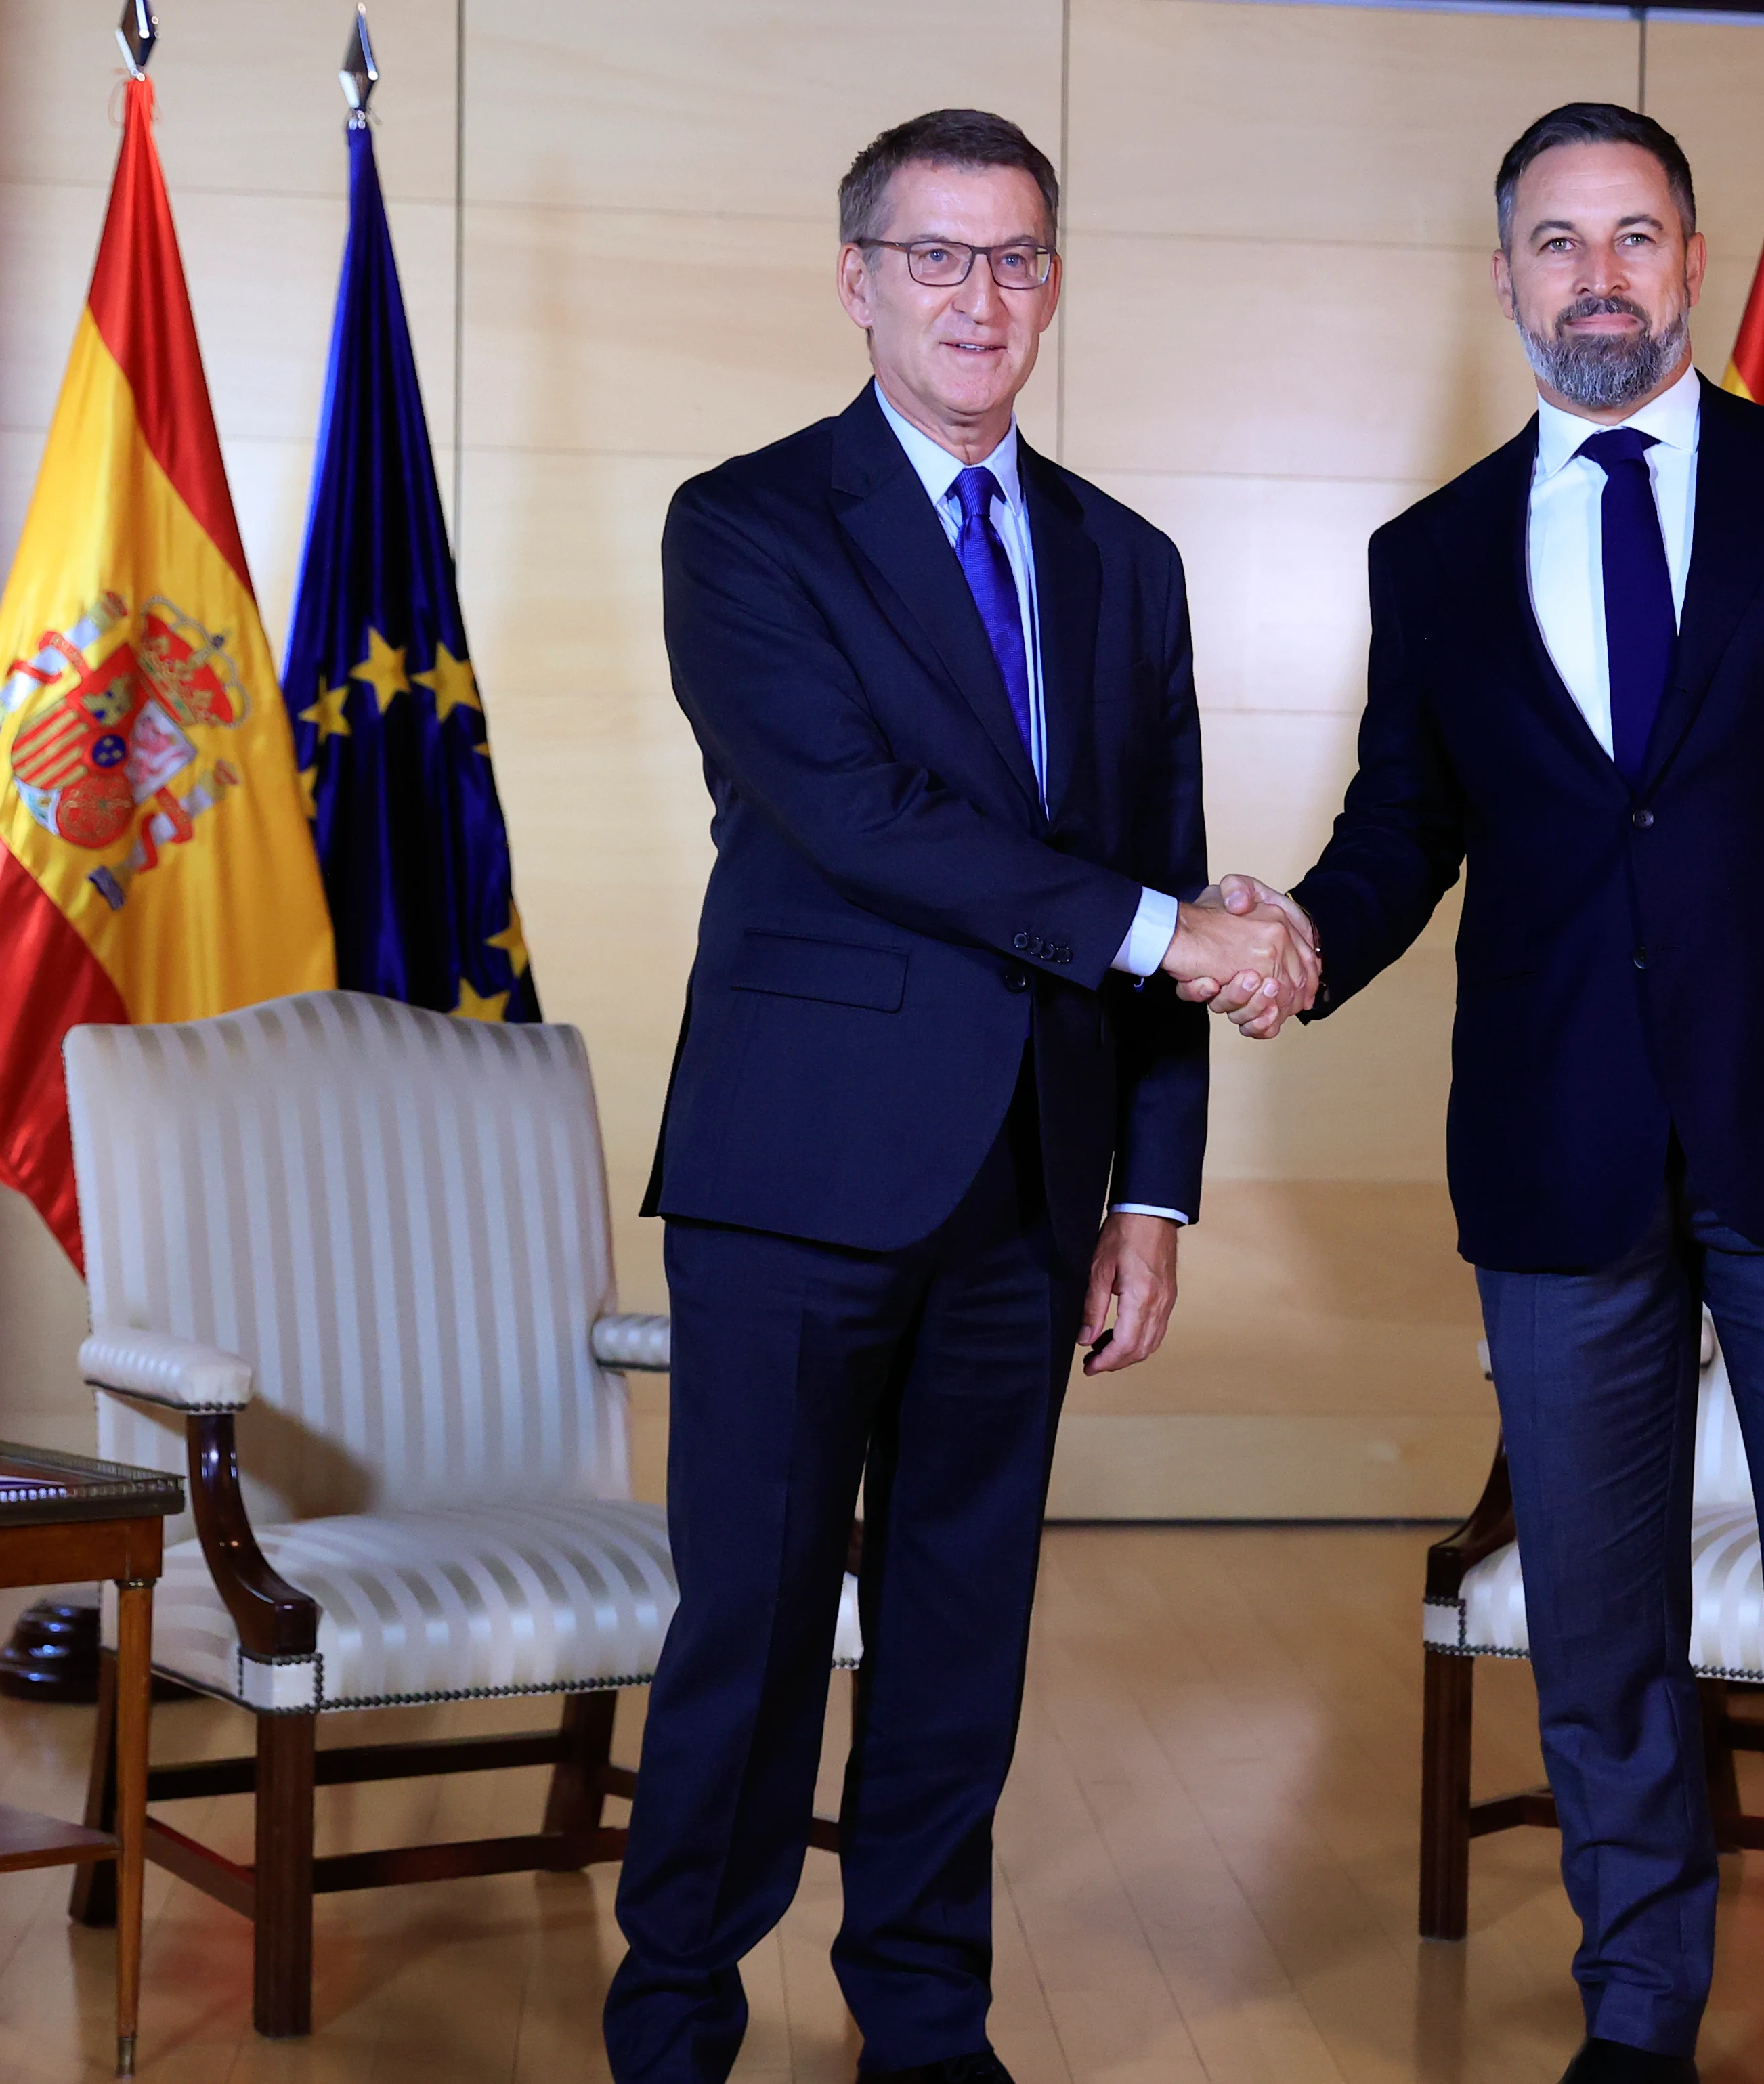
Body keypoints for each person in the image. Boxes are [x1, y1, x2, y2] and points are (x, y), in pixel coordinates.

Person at [1201, 101, 1764, 2084]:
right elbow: (1406, 829)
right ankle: (1638, 2017)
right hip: (1556, 1158)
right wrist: (1297, 934)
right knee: (1596, 1632)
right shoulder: (1438, 551)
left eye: (1634, 236)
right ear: (1505, 279)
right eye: (1557, 242)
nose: (1598, 275)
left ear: (1695, 261)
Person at [605, 109, 1312, 2084]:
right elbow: (862, 821)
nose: (978, 297)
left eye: (1014, 259)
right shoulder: (743, 527)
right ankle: (672, 2021)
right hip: (797, 1178)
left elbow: (1158, 855)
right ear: (856, 278)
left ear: (1054, 284)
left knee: (958, 1635)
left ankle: (923, 2017)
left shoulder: (1126, 560)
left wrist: (1150, 1192)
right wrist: (1184, 931)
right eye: (936, 257)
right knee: (746, 1633)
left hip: (1028, 1185)